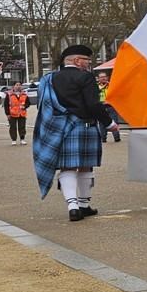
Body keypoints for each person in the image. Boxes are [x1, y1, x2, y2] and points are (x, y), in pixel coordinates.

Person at [31, 45, 117, 221]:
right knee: (86, 165)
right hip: (84, 126)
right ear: (77, 61)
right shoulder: (85, 77)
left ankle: (73, 207)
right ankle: (84, 205)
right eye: (87, 60)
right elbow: (93, 105)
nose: (89, 64)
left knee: (67, 166)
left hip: (61, 129)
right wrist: (109, 124)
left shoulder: (49, 79)